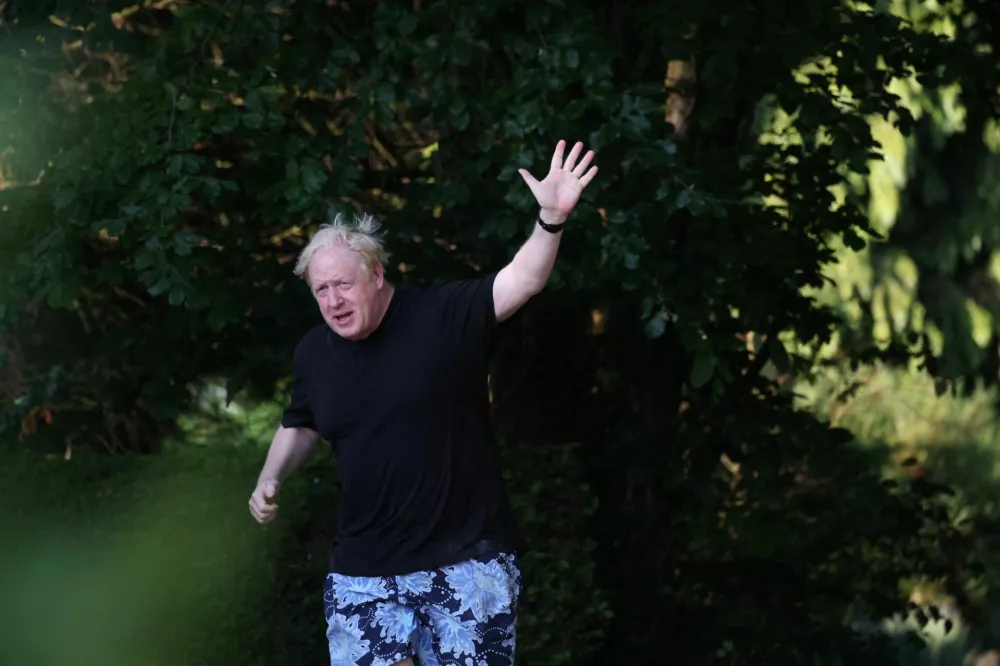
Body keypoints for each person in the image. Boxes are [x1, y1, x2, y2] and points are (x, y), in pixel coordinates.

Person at [248, 140, 599, 666]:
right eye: (320, 290)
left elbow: (523, 280)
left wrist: (550, 219)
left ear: (377, 274)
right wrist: (270, 475)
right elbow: (301, 423)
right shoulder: (314, 352)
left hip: (463, 561)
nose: (333, 301)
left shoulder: (442, 317)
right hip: (363, 570)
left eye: (343, 284)